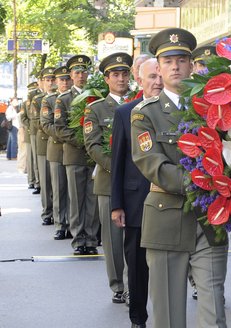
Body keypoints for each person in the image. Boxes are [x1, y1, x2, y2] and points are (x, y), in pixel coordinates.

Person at [130, 28, 228, 328]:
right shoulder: (145, 114)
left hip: (210, 222)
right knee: (169, 315)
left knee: (215, 314)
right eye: (168, 60)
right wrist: (208, 182)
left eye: (182, 60)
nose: (175, 66)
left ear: (192, 65)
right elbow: (154, 166)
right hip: (167, 220)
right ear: (158, 68)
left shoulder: (217, 108)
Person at [111, 57, 162, 328]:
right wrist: (116, 204)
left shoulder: (176, 111)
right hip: (136, 201)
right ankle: (138, 318)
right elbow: (118, 162)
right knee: (137, 264)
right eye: (151, 76)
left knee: (166, 264)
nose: (158, 81)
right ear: (140, 81)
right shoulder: (125, 113)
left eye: (160, 75)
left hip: (169, 201)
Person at [84, 52, 133, 304]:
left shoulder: (141, 103)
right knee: (113, 238)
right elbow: (93, 146)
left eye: (125, 74)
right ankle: (118, 285)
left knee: (136, 234)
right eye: (116, 75)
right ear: (107, 79)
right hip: (108, 180)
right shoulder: (96, 109)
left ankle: (136, 280)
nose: (121, 78)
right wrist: (118, 167)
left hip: (137, 180)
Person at [54, 54, 99, 256]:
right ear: (71, 76)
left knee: (92, 198)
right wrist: (83, 141)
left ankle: (90, 238)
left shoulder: (96, 96)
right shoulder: (63, 99)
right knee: (76, 198)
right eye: (77, 73)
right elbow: (60, 128)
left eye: (84, 72)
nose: (81, 76)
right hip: (74, 154)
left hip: (93, 156)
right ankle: (78, 238)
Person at [41, 66, 73, 240]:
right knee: (59, 188)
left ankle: (74, 224)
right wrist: (64, 136)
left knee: (74, 190)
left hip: (74, 150)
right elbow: (46, 125)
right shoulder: (50, 100)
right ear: (56, 81)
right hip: (58, 148)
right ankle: (61, 224)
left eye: (68, 79)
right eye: (62, 79)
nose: (65, 82)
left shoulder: (77, 98)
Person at [30, 67, 56, 225]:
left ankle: (59, 213)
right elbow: (37, 122)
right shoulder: (38, 100)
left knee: (58, 183)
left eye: (53, 79)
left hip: (58, 144)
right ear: (42, 82)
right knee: (46, 180)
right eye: (48, 80)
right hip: (44, 142)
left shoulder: (62, 97)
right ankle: (47, 212)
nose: (51, 82)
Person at [24, 77, 43, 194]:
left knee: (38, 158)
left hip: (40, 130)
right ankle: (36, 181)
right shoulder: (32, 96)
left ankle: (38, 181)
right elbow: (25, 116)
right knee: (34, 159)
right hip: (33, 130)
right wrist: (30, 127)